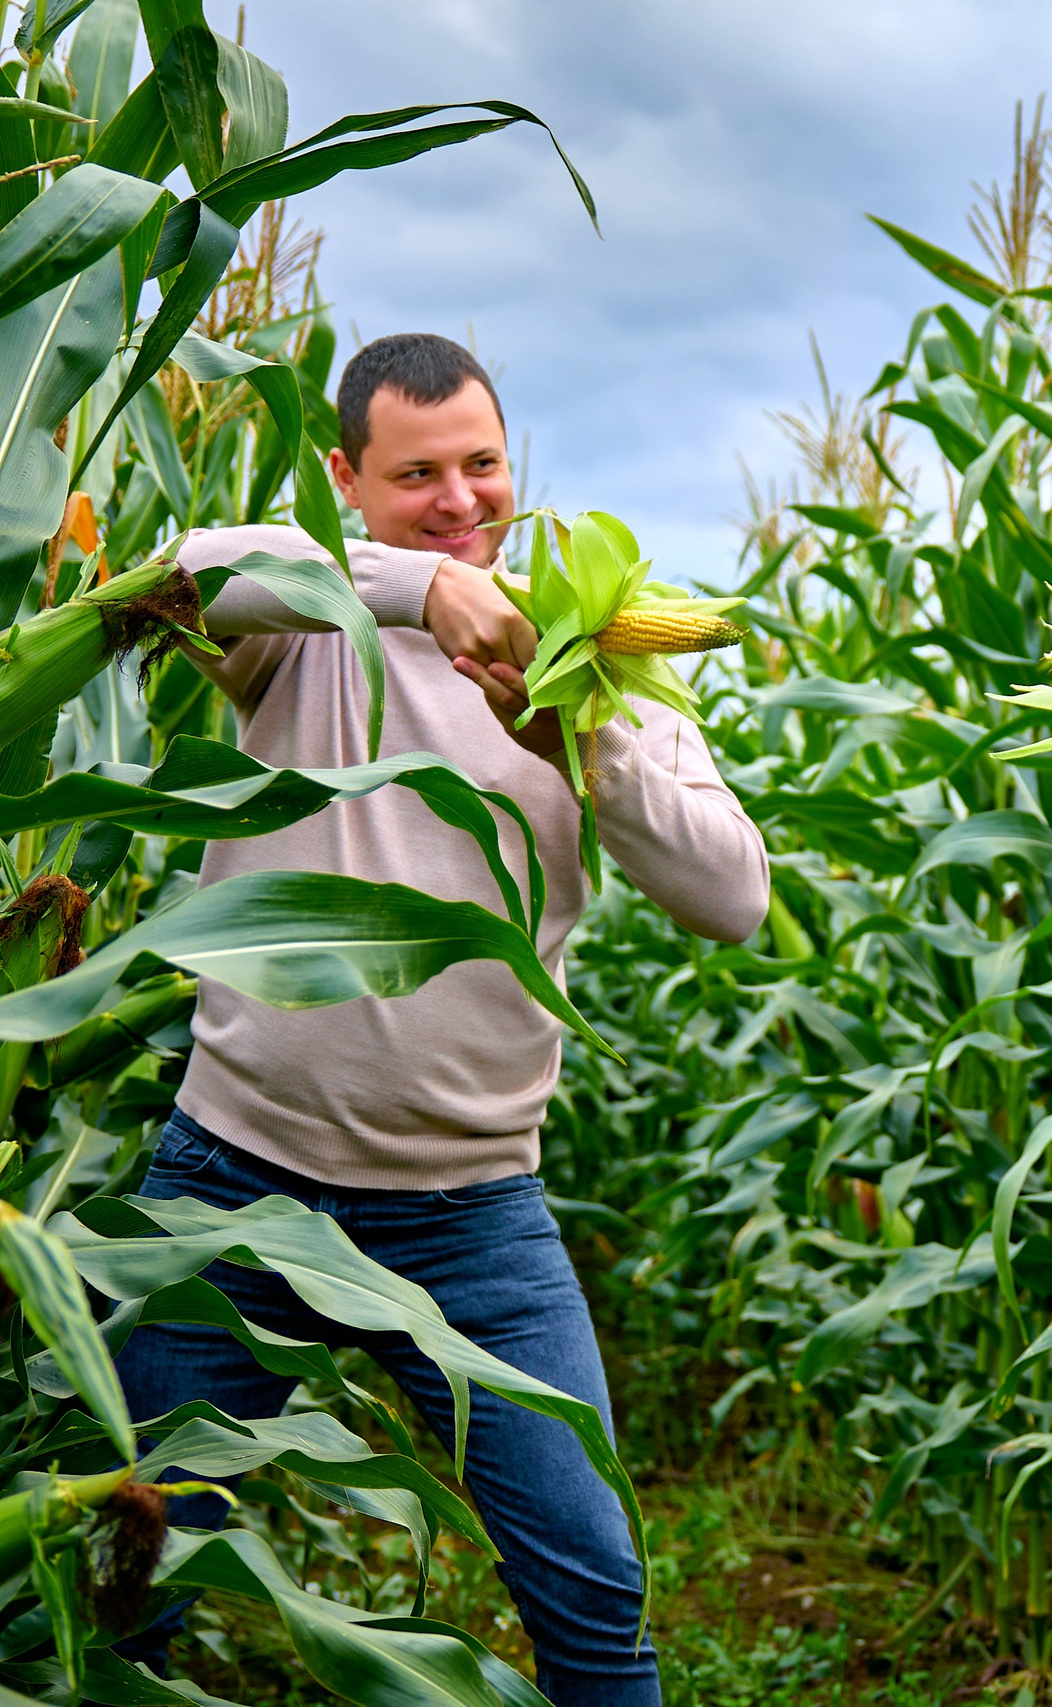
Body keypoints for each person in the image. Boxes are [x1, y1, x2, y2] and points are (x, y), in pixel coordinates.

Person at [114, 332, 770, 1707]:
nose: (464, 500)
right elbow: (179, 569)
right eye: (420, 477)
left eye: (484, 464)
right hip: (233, 1180)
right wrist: (422, 595)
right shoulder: (307, 626)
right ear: (350, 478)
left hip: (472, 1210)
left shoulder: (593, 661)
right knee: (140, 1575)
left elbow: (734, 893)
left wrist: (572, 739)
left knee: (596, 1592)